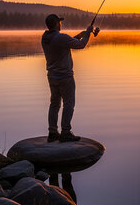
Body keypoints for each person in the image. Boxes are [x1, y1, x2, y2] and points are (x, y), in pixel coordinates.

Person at [41, 14, 100, 142]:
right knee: (69, 103)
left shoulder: (45, 37)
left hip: (52, 76)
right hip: (65, 77)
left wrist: (80, 34)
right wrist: (88, 33)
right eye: (59, 22)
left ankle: (52, 133)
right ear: (57, 24)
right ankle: (66, 132)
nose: (61, 24)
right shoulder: (60, 37)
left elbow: (66, 44)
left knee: (54, 104)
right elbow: (81, 45)